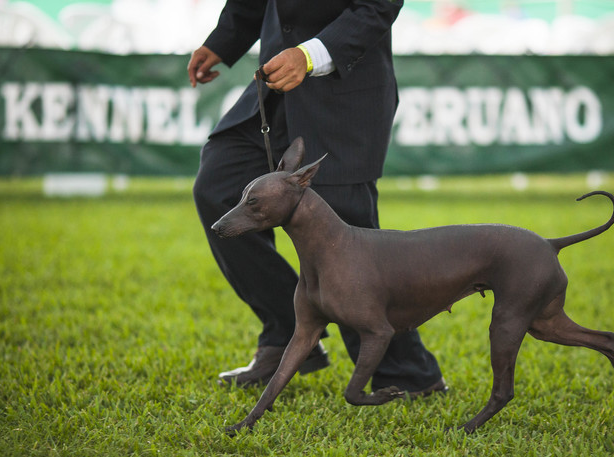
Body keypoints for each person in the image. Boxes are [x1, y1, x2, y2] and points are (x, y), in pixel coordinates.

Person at [188, 0, 447, 397]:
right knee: (220, 188)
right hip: (273, 94)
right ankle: (288, 333)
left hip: (345, 95)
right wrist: (223, 42)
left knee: (349, 240)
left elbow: (377, 6)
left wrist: (309, 55)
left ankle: (410, 373)